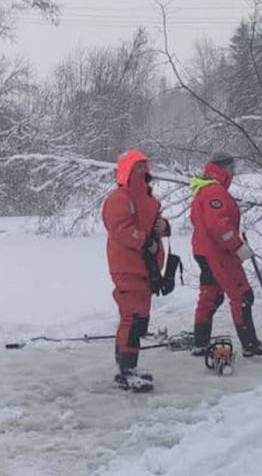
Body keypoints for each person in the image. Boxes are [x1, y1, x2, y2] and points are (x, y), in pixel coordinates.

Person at [188, 151, 262, 360]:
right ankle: (250, 344)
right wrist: (237, 245)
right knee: (242, 295)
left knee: (210, 295)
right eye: (232, 168)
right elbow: (219, 225)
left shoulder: (204, 189)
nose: (234, 172)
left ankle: (200, 343)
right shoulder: (214, 192)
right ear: (224, 168)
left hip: (204, 251)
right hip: (219, 254)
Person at [102, 149, 170, 391]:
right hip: (127, 267)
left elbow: (154, 224)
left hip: (146, 269)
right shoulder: (118, 199)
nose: (143, 169)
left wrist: (164, 227)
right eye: (137, 166)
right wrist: (145, 241)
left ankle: (129, 367)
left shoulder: (150, 199)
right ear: (127, 170)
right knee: (132, 319)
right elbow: (120, 229)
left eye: (144, 165)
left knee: (139, 319)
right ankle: (126, 372)